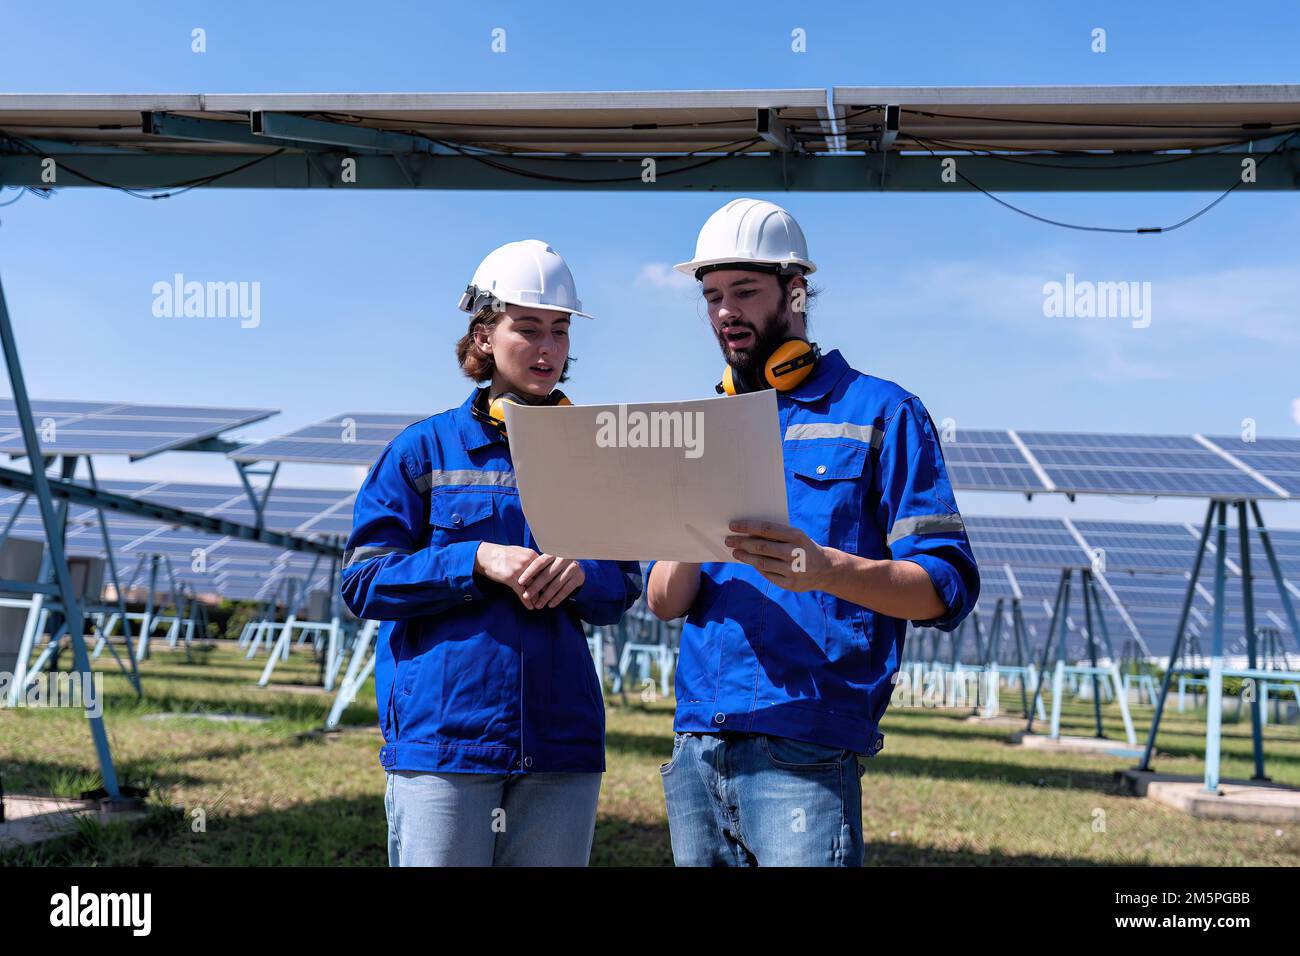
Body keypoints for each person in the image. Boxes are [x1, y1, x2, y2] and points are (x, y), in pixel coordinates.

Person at [646, 199, 980, 867]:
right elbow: (663, 601)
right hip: (696, 746)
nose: (724, 312)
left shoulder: (883, 411)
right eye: (711, 296)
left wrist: (827, 570)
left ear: (795, 291)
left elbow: (944, 588)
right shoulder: (705, 423)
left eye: (744, 291)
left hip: (806, 742)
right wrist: (686, 534)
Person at [341, 239, 642, 866]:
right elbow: (364, 581)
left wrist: (582, 575)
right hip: (446, 741)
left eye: (559, 331)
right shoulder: (422, 451)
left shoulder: (595, 456)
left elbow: (622, 587)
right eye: (527, 329)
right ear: (483, 336)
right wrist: (473, 560)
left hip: (561, 744)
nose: (547, 348)